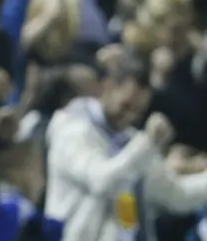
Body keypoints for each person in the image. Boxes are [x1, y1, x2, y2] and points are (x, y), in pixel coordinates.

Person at [43, 51, 207, 240]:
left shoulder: (131, 141)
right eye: (126, 106)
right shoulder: (71, 129)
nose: (130, 117)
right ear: (107, 87)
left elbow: (176, 194)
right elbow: (102, 180)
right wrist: (148, 144)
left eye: (138, 112)